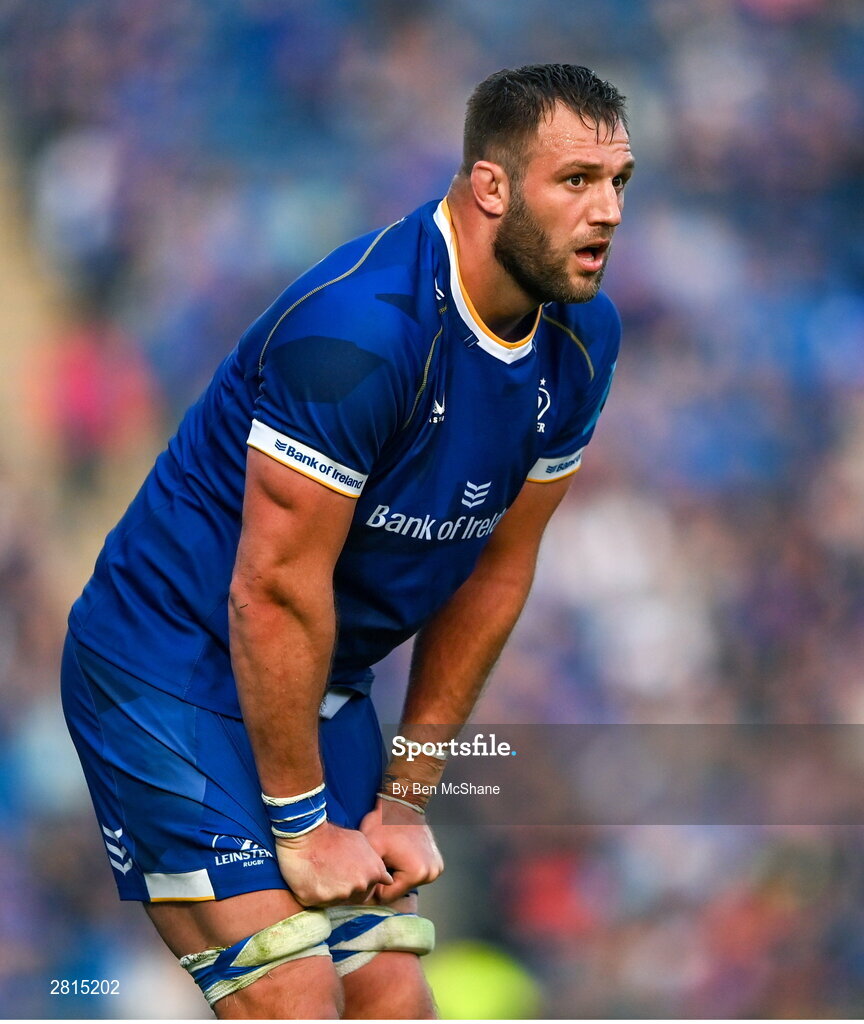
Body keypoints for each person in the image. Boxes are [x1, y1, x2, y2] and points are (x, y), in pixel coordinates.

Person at [61, 63, 634, 1019]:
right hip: (166, 662)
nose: (608, 210)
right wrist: (301, 824)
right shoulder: (361, 331)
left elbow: (496, 571)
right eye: (575, 181)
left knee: (395, 999)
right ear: (490, 187)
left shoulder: (583, 342)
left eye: (619, 182)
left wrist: (402, 797)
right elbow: (271, 589)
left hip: (313, 678)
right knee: (290, 988)